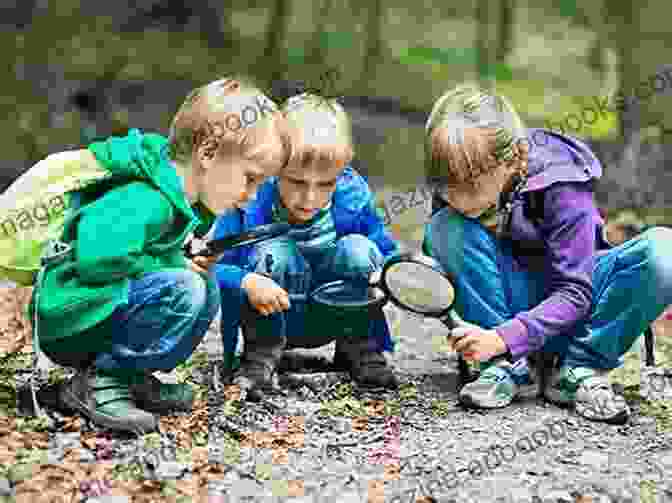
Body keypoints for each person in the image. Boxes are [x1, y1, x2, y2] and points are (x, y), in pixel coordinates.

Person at [30, 76, 288, 433]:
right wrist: (171, 264)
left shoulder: (179, 201)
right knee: (184, 286)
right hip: (70, 316)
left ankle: (127, 377)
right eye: (250, 179)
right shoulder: (146, 196)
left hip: (99, 309)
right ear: (208, 153)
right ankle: (97, 383)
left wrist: (180, 260)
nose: (251, 195)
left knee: (202, 284)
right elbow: (96, 259)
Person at [422, 84, 672, 423]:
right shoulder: (456, 196)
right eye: (444, 187)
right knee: (444, 227)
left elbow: (575, 291)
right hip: (504, 322)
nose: (454, 199)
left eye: (467, 186)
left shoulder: (563, 186)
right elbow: (447, 266)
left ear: (515, 158)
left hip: (572, 314)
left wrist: (503, 337)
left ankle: (579, 369)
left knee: (664, 251)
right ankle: (504, 369)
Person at [214, 89, 400, 399]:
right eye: (297, 182)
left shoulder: (352, 197)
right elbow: (213, 265)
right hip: (273, 313)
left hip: (333, 314)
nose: (309, 199)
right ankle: (260, 358)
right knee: (275, 251)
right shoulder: (250, 199)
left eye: (325, 184)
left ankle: (358, 347)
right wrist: (247, 281)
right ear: (275, 165)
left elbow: (386, 252)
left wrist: (385, 279)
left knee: (359, 250)